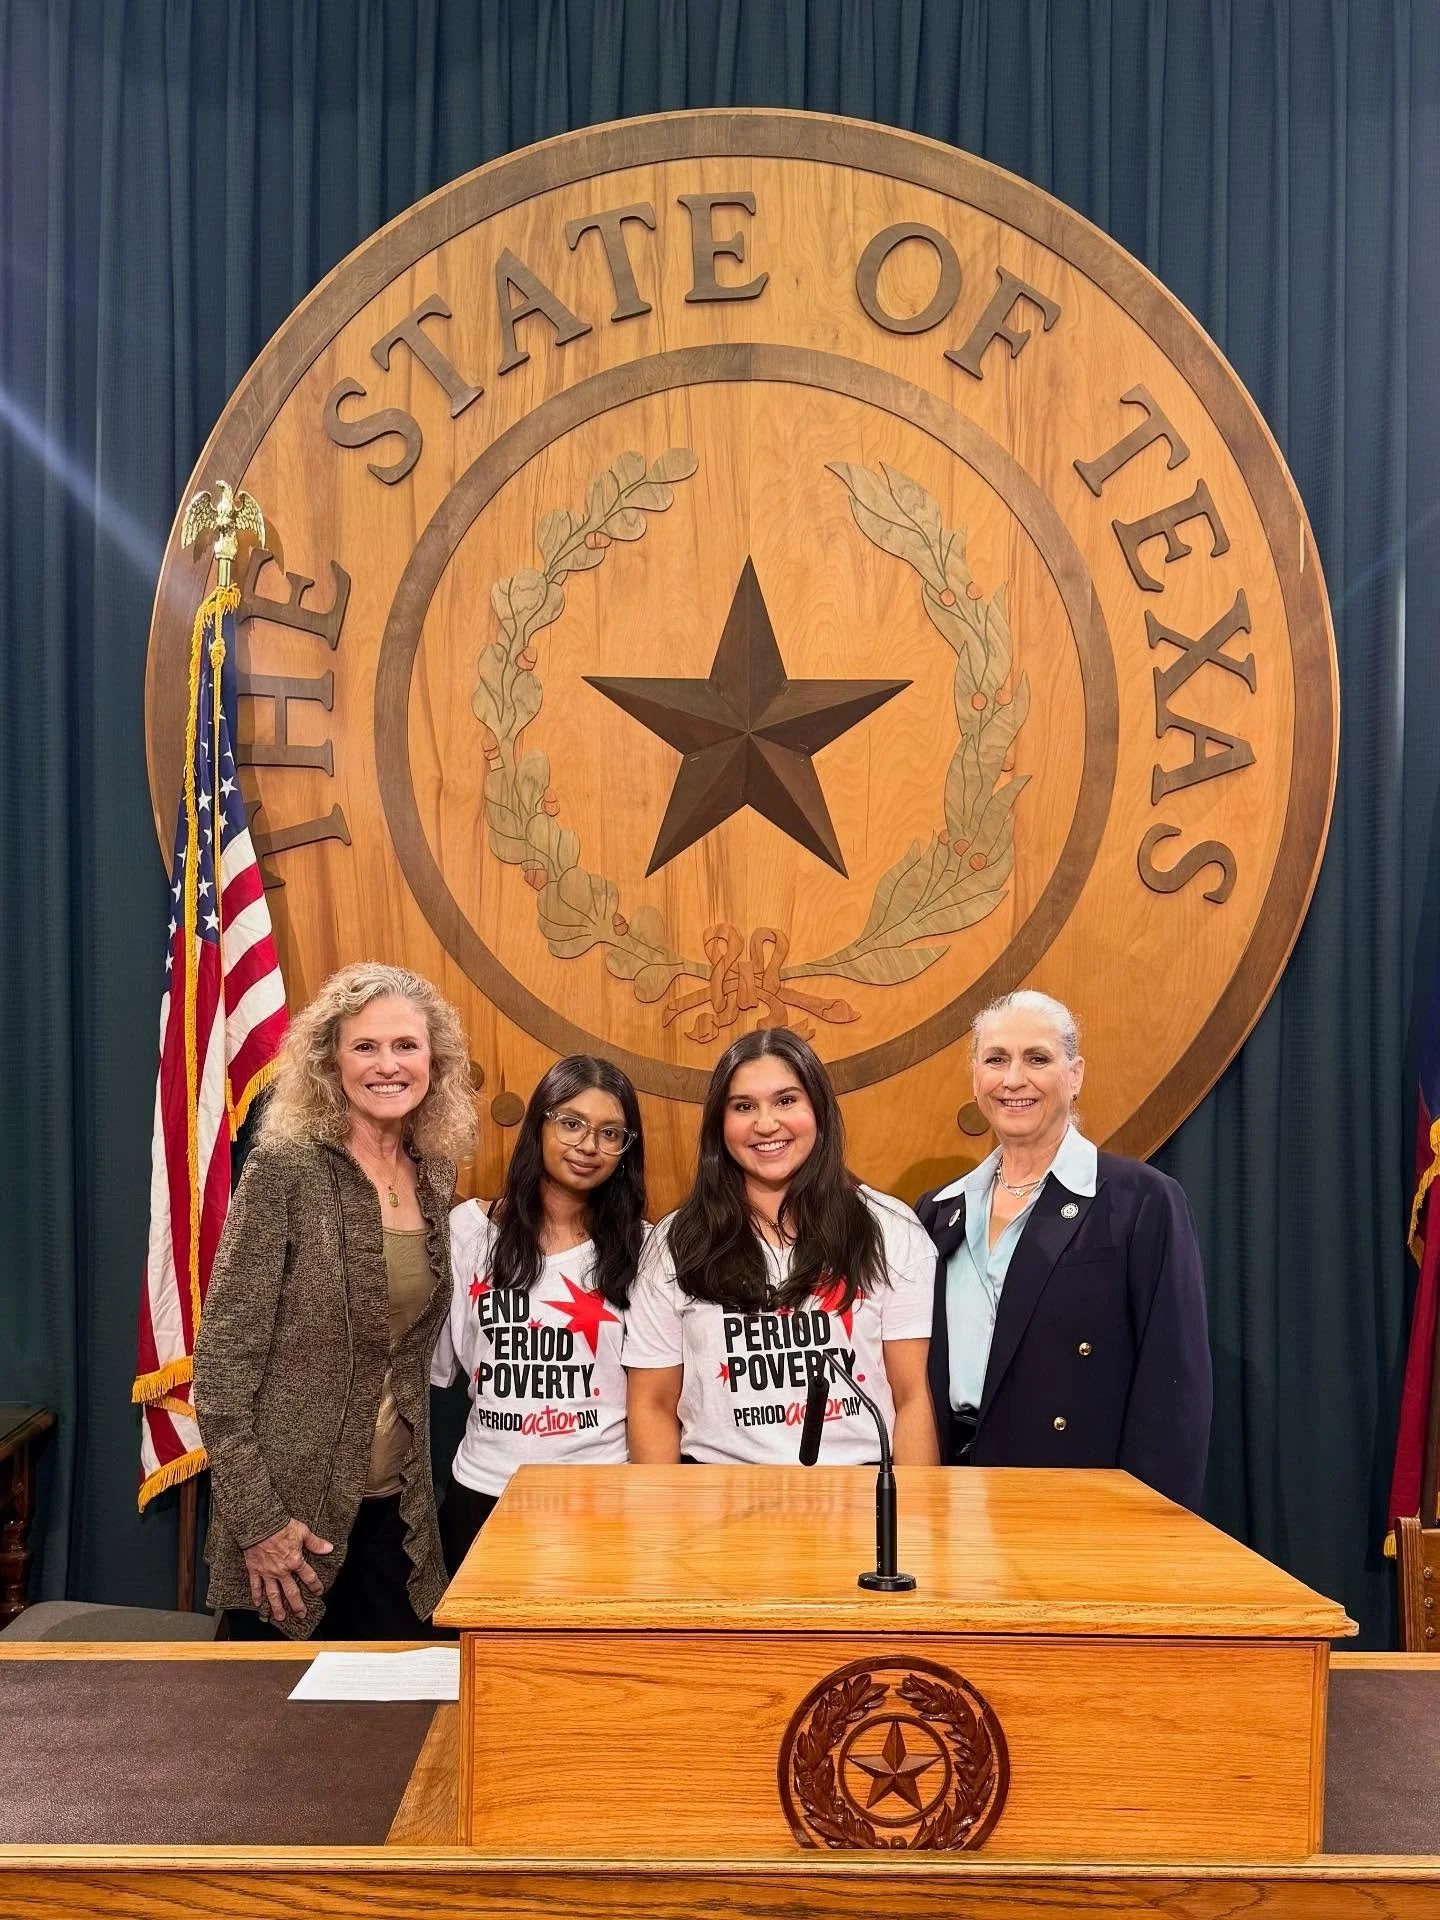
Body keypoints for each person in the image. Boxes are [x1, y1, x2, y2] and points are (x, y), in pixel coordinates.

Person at [193, 961, 477, 1639]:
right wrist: (258, 1523)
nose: (389, 1065)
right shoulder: (284, 1170)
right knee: (278, 1736)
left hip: (396, 1518)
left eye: (406, 1046)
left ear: (434, 1061)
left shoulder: (434, 1174)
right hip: (288, 1531)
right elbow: (222, 1367)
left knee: (404, 1727)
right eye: (366, 1046)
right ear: (330, 1061)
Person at [916, 989, 1211, 1508]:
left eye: (1037, 1059)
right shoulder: (938, 1210)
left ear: (1074, 1075)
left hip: (1076, 1498)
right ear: (976, 1078)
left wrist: (1154, 1523)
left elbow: (1174, 1389)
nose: (1013, 1080)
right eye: (996, 1060)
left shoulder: (1140, 1201)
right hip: (948, 1493)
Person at [625, 1028, 939, 1466]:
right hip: (716, 1502)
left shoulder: (890, 1228)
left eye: (786, 1101)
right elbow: (652, 1405)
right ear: (720, 1122)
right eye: (744, 1106)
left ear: (819, 1110)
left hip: (857, 1495)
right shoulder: (676, 1242)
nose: (766, 1124)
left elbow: (912, 1399)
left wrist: (911, 1523)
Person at [431, 1056, 647, 1571]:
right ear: (539, 1125)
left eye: (610, 1132)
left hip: (603, 1496)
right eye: (571, 1122)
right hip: (485, 1490)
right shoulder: (468, 1229)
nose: (588, 1146)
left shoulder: (646, 1248)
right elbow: (440, 1366)